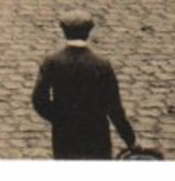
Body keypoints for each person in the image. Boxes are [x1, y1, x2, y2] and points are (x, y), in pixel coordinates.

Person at [31, 11, 137, 159]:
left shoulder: (52, 61)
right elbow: (114, 107)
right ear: (89, 32)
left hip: (64, 134)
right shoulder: (101, 64)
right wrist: (130, 140)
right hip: (96, 133)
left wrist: (59, 118)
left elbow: (39, 100)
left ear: (64, 31)